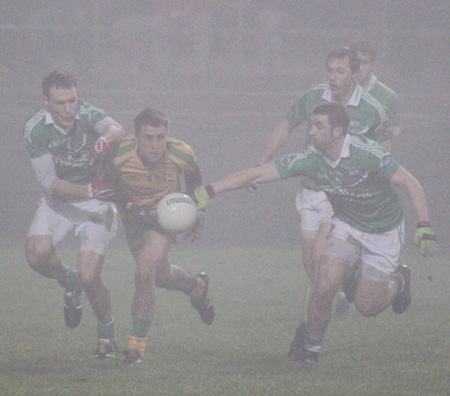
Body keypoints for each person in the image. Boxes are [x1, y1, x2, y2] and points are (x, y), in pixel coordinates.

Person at [194, 102, 438, 364]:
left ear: (338, 131)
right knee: (323, 285)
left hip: (383, 232)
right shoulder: (310, 158)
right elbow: (258, 174)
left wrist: (423, 225)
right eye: (312, 125)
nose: (311, 131)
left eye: (319, 126)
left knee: (367, 307)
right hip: (347, 226)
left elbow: (410, 182)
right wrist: (211, 191)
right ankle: (311, 350)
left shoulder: (367, 153)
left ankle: (399, 280)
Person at [253, 47, 391, 351]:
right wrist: (263, 162)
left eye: (340, 71)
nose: (333, 77)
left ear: (356, 74)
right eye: (330, 70)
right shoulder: (313, 96)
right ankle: (345, 281)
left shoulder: (372, 109)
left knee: (320, 260)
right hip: (309, 189)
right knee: (313, 268)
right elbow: (286, 126)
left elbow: (384, 148)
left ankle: (307, 337)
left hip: (341, 193)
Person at [23, 71, 124, 359]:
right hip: (61, 202)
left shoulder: (87, 114)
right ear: (45, 101)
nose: (68, 110)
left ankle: (106, 337)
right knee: (36, 254)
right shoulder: (35, 129)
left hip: (97, 208)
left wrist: (106, 140)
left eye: (72, 101)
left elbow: (116, 129)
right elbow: (48, 182)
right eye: (60, 103)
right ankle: (70, 283)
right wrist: (89, 190)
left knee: (91, 276)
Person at [105, 108, 214, 364]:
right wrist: (132, 209)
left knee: (144, 273)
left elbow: (196, 186)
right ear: (136, 137)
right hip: (133, 221)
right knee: (160, 276)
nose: (155, 145)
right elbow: (111, 186)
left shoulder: (181, 153)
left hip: (163, 219)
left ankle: (135, 349)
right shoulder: (119, 154)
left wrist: (199, 213)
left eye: (160, 137)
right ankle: (196, 287)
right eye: (149, 138)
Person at [351, 41, 402, 149]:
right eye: (356, 62)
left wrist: (377, 141)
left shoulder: (388, 96)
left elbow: (396, 126)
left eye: (364, 63)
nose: (359, 68)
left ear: (372, 66)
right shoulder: (334, 91)